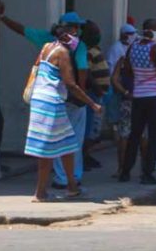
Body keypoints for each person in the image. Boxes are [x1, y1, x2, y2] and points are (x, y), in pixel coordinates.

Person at [0, 6, 92, 188]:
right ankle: (70, 178)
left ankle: (61, 179)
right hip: (71, 99)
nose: (77, 31)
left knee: (53, 141)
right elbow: (82, 72)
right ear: (70, 28)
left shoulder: (47, 43)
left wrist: (2, 18)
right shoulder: (78, 46)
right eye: (75, 27)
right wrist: (84, 97)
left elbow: (22, 30)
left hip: (52, 99)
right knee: (73, 141)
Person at [24, 25, 101, 201]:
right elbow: (71, 84)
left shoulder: (46, 47)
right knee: (48, 150)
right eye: (74, 35)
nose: (77, 39)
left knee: (68, 145)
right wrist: (92, 104)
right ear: (66, 37)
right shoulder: (63, 53)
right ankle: (40, 192)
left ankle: (72, 186)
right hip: (52, 103)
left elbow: (37, 69)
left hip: (41, 99)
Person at [118, 19, 156, 184]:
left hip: (139, 96)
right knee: (154, 136)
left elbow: (127, 70)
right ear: (154, 31)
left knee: (135, 134)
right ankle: (147, 173)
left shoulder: (133, 47)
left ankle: (125, 171)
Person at [104, 23, 137, 176]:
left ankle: (123, 169)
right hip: (134, 100)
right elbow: (113, 77)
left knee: (125, 135)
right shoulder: (118, 52)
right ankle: (134, 169)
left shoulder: (124, 59)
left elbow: (114, 78)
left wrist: (125, 91)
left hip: (129, 99)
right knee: (134, 135)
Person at [80, 21, 111, 170]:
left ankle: (86, 155)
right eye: (94, 33)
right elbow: (87, 73)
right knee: (90, 128)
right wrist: (97, 87)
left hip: (100, 94)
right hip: (93, 94)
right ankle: (82, 156)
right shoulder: (86, 51)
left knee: (95, 129)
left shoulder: (94, 49)